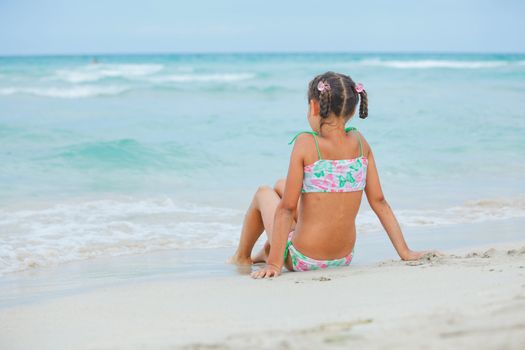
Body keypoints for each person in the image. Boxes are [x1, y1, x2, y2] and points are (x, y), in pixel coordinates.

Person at [227, 71, 433, 279]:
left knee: (264, 192)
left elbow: (287, 208)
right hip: (343, 257)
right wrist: (405, 252)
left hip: (303, 259)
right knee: (282, 185)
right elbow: (379, 202)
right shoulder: (360, 142)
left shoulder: (307, 144)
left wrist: (275, 266)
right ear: (352, 111)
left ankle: (243, 256)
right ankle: (266, 251)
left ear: (315, 106)